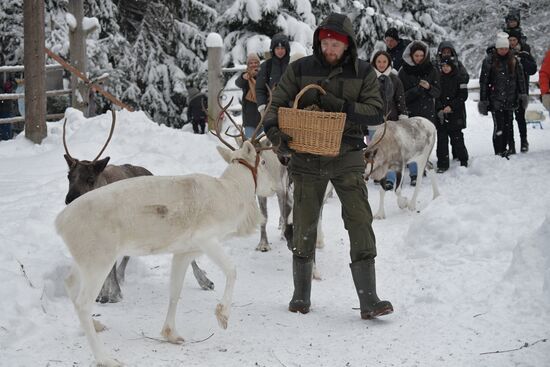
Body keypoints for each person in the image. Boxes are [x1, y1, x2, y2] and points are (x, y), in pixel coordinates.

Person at [263, 12, 393, 320]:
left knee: (360, 220)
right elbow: (276, 105)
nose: (330, 49)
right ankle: (301, 294)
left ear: (347, 45)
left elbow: (376, 112)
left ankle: (369, 298)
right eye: (326, 43)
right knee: (304, 223)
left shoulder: (363, 72)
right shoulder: (300, 69)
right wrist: (275, 133)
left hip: (347, 153)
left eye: (336, 44)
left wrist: (344, 108)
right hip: (306, 157)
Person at [398, 40, 440, 186]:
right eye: (416, 55)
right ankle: (414, 172)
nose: (419, 58)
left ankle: (423, 165)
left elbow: (438, 92)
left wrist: (428, 87)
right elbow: (401, 94)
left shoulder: (431, 69)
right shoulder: (404, 71)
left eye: (421, 55)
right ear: (411, 55)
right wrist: (417, 90)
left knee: (426, 141)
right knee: (412, 142)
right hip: (411, 111)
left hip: (427, 111)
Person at [478, 32, 527, 158]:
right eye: (501, 48)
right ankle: (499, 151)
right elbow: (484, 81)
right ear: (497, 48)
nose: (503, 51)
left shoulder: (514, 60)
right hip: (496, 99)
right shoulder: (489, 60)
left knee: (508, 124)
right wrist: (484, 100)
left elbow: (520, 79)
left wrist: (522, 95)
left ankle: (507, 148)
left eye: (505, 48)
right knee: (499, 126)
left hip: (511, 98)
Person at [370, 50, 408, 191]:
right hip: (373, 121)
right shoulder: (369, 78)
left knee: (391, 152)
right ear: (374, 62)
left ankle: (390, 179)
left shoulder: (395, 79)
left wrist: (402, 116)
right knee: (375, 151)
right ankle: (378, 175)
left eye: (384, 62)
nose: (381, 64)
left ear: (388, 63)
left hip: (390, 122)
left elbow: (400, 100)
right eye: (378, 61)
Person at [436, 41, 470, 161]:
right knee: (442, 138)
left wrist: (452, 105)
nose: (446, 54)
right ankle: (443, 162)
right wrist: (440, 107)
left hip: (456, 110)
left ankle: (461, 159)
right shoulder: (437, 70)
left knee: (457, 137)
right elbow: (436, 93)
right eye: (443, 52)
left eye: (448, 52)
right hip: (441, 111)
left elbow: (463, 92)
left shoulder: (459, 69)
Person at [507, 29, 537, 153]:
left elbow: (532, 69)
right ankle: (511, 144)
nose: (512, 42)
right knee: (508, 119)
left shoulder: (524, 52)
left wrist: (522, 59)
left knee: (520, 118)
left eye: (514, 40)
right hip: (508, 90)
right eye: (510, 40)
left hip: (521, 89)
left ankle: (524, 141)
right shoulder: (504, 52)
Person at [255, 33, 290, 113]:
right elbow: (260, 89)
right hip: (271, 107)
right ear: (273, 50)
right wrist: (262, 107)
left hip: (289, 107)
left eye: (282, 48)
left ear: (286, 49)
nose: (280, 51)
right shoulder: (266, 66)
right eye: (277, 48)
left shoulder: (292, 64)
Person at [235, 53, 262, 138]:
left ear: (259, 63)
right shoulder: (246, 75)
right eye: (251, 63)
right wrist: (243, 77)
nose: (253, 65)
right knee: (250, 142)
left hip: (263, 114)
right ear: (248, 65)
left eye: (256, 62)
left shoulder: (264, 75)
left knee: (264, 143)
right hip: (250, 116)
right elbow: (238, 83)